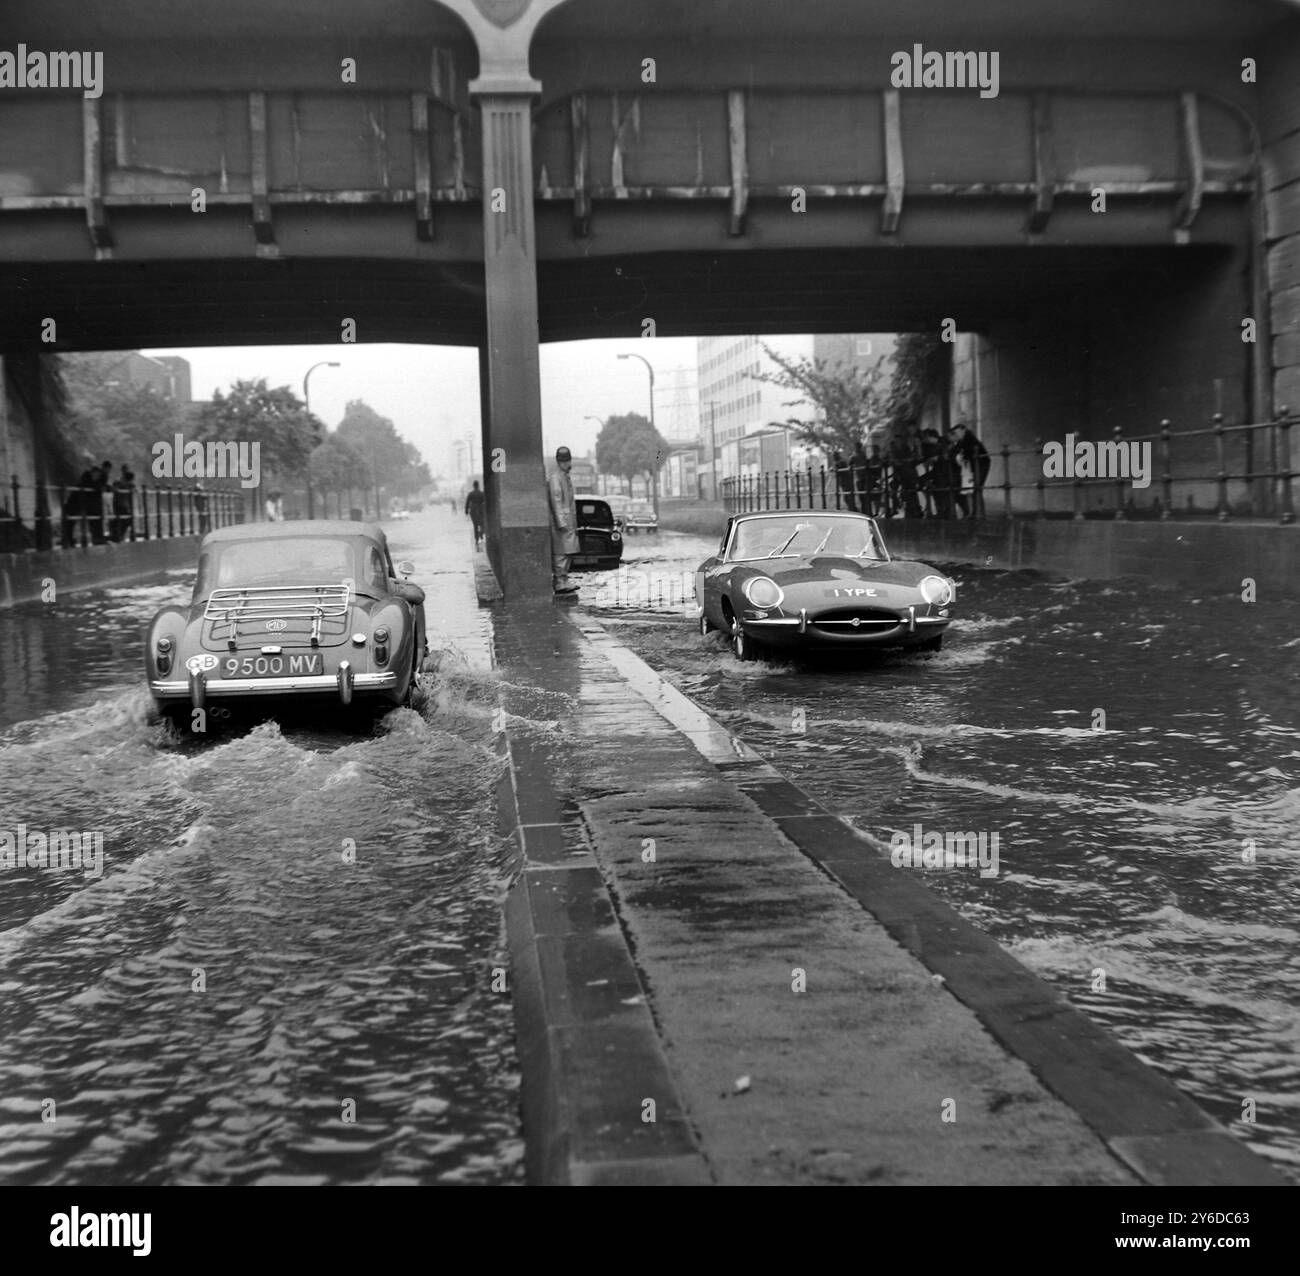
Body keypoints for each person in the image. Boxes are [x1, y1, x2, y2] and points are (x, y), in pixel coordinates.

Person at [547, 446, 579, 595]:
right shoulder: (556, 478)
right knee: (561, 553)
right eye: (565, 461)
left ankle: (564, 579)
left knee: (567, 552)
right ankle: (560, 581)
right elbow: (556, 500)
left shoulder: (564, 476)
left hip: (568, 521)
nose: (568, 464)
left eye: (568, 461)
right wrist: (561, 522)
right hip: (562, 522)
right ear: (560, 462)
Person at [950, 422, 991, 518]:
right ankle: (977, 512)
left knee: (977, 488)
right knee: (976, 488)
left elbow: (968, 452)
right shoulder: (965, 439)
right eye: (956, 433)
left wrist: (961, 455)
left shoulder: (968, 439)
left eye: (958, 432)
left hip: (981, 464)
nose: (957, 435)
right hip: (978, 464)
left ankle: (978, 513)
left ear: (963, 430)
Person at [112, 466, 136, 541]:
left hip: (123, 505)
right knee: (124, 521)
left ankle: (121, 536)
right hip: (120, 505)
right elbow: (115, 486)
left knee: (126, 521)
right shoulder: (119, 481)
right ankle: (119, 536)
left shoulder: (127, 482)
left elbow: (133, 487)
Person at [464, 479, 485, 550]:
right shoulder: (481, 493)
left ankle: (476, 539)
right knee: (481, 523)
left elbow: (467, 502)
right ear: (478, 485)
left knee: (475, 525)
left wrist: (466, 511)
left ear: (473, 486)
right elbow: (484, 501)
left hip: (473, 510)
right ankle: (481, 535)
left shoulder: (470, 494)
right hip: (480, 509)